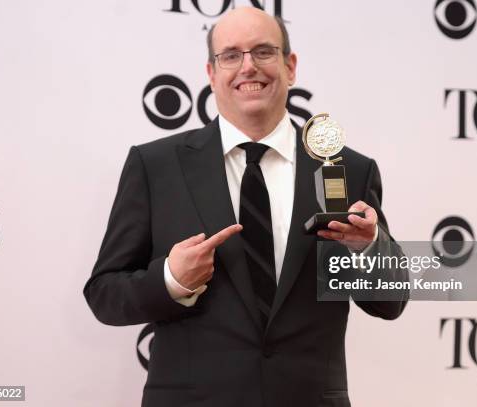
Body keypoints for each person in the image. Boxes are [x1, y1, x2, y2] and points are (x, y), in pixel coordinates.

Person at [84, 7, 408, 407]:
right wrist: (172, 279)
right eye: (231, 55)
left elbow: (392, 300)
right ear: (211, 72)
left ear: (291, 67)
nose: (248, 67)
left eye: (264, 52)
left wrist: (368, 246)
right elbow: (103, 293)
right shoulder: (156, 166)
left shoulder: (348, 169)